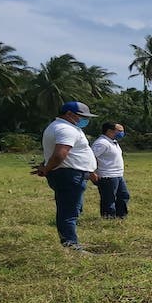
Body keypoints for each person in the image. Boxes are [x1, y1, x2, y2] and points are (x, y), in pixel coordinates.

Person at [33, 101, 98, 251]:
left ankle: (70, 239)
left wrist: (46, 168)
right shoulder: (65, 129)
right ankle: (71, 245)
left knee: (73, 208)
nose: (84, 120)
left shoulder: (61, 127)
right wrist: (47, 169)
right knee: (68, 212)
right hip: (69, 175)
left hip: (72, 174)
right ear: (69, 114)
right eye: (81, 116)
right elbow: (59, 154)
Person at [90, 122, 129, 218]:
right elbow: (90, 157)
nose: (121, 133)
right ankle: (108, 218)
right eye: (119, 131)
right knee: (109, 199)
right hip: (107, 176)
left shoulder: (113, 142)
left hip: (118, 175)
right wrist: (92, 173)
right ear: (109, 131)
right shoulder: (101, 143)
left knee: (124, 196)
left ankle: (121, 216)